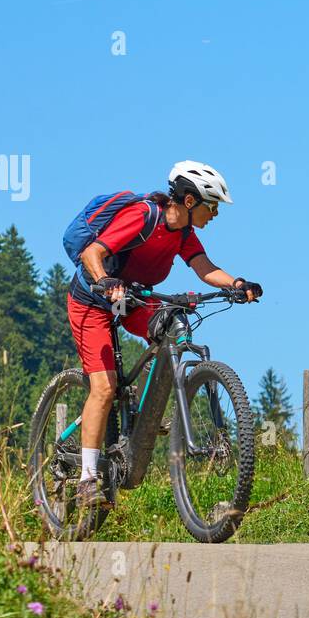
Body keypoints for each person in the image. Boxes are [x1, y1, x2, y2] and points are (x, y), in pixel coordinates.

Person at [67, 160, 261, 508]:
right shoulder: (143, 216)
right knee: (105, 387)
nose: (214, 213)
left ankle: (144, 412)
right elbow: (92, 252)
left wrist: (237, 284)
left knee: (169, 327)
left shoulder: (184, 233)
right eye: (211, 205)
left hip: (134, 298)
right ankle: (87, 480)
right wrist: (105, 283)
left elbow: (204, 268)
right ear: (189, 201)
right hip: (93, 301)